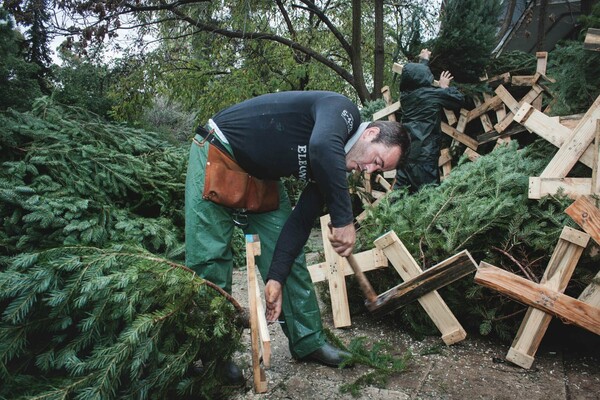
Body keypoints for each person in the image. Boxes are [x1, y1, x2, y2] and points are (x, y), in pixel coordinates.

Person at [185, 91, 410, 383]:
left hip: (262, 178)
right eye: (376, 160)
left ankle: (308, 341)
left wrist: (275, 277)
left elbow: (299, 224)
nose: (368, 170)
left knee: (290, 258)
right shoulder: (343, 112)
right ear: (371, 133)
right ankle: (212, 355)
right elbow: (320, 146)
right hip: (218, 153)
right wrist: (344, 220)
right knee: (209, 261)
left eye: (379, 169)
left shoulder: (331, 166)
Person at [393, 48, 464, 193]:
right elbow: (458, 100)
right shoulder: (431, 95)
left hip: (405, 154)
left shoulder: (405, 96)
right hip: (424, 157)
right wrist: (444, 88)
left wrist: (424, 61)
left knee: (399, 198)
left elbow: (416, 76)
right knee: (428, 199)